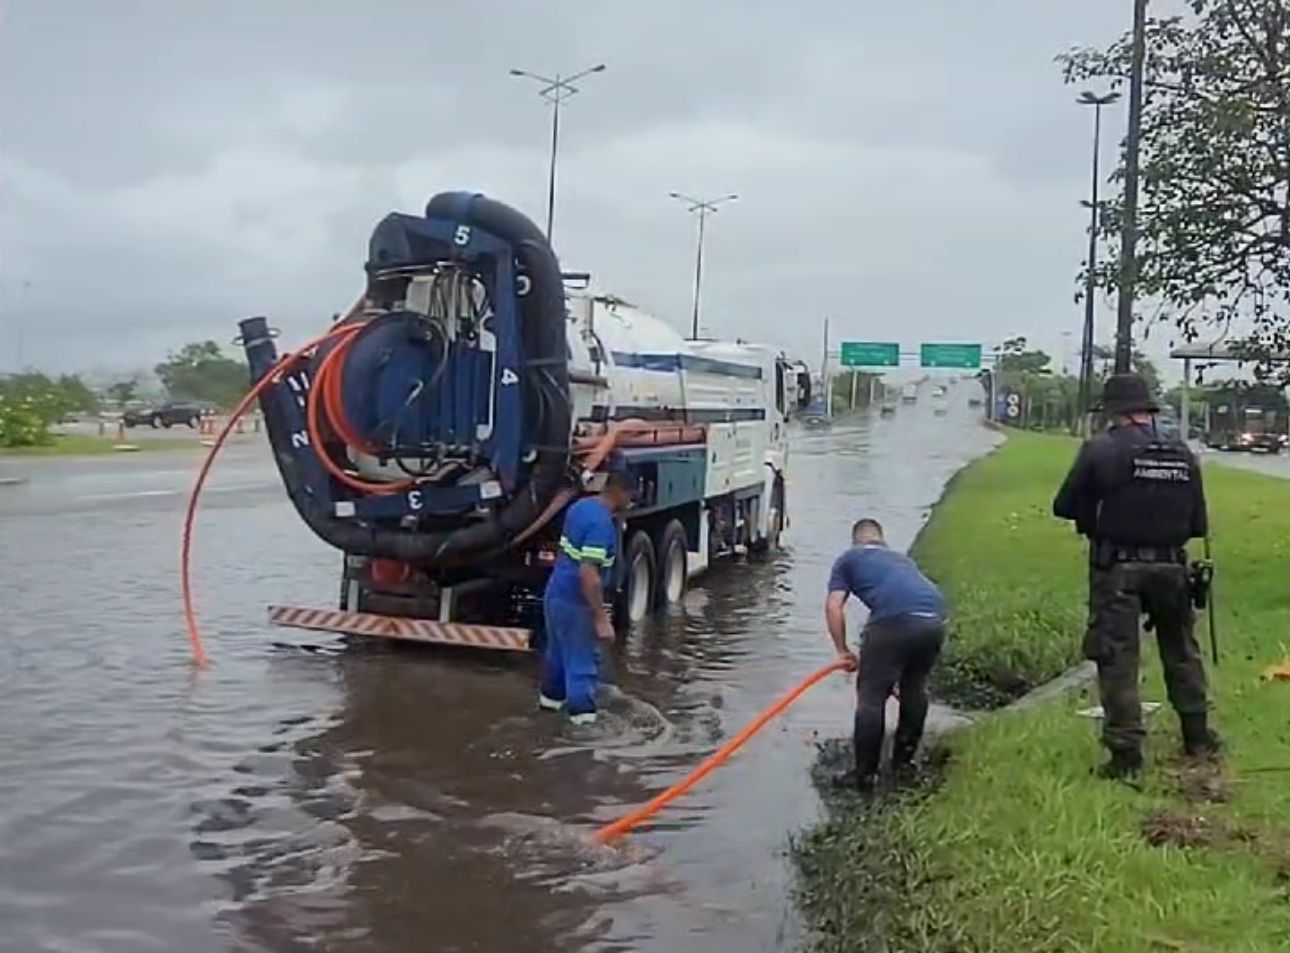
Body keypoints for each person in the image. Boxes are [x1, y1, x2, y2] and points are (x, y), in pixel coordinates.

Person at [1052, 372, 1221, 779]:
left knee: (1117, 657)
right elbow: (1199, 522)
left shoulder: (1102, 449)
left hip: (1118, 569)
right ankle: (1198, 735)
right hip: (1173, 567)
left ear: (1113, 412)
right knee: (1181, 649)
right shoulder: (1183, 453)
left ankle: (1126, 754)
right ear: (1147, 410)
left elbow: (1064, 505)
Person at [826, 518, 947, 792]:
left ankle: (863, 775)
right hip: (934, 619)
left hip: (894, 621)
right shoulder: (901, 560)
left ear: (857, 540)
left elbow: (834, 607)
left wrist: (843, 651)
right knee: (914, 688)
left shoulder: (849, 558)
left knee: (871, 698)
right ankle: (903, 766)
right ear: (881, 539)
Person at [538, 470, 634, 725]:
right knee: (581, 666)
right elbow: (589, 574)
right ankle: (583, 740)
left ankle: (547, 716)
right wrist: (602, 619)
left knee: (557, 658)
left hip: (556, 594)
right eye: (630, 496)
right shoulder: (601, 525)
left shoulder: (581, 507)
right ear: (620, 492)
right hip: (577, 603)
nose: (631, 502)